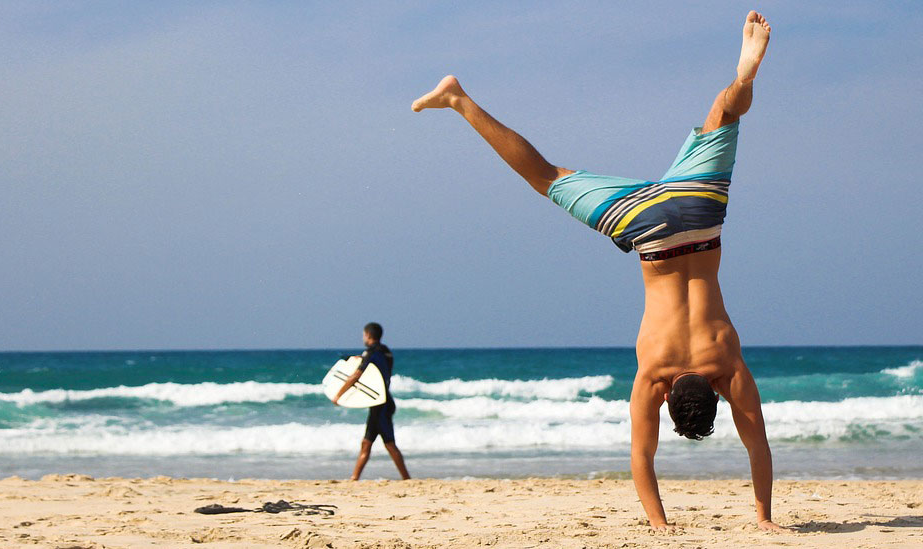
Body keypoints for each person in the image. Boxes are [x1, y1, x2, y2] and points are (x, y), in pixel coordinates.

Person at [412, 11, 785, 531]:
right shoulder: (655, 374)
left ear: (713, 393)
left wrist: (765, 516)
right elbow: (643, 458)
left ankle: (742, 78)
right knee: (545, 176)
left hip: (698, 213)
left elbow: (759, 447)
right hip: (648, 231)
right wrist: (660, 524)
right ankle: (457, 99)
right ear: (668, 399)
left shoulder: (726, 365)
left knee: (725, 114)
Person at [332, 322, 411, 481]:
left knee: (389, 443)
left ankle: (407, 479)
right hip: (383, 402)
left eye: (363, 335)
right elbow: (378, 368)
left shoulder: (371, 353)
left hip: (380, 405)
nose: (363, 337)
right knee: (366, 443)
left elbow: (356, 376)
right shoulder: (386, 352)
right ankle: (354, 478)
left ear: (368, 335)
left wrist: (338, 395)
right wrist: (360, 358)